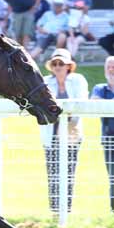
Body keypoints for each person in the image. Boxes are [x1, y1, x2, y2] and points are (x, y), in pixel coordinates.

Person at [41, 49, 88, 213]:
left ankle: (66, 210)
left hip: (72, 130)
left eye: (61, 63)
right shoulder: (45, 81)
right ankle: (54, 210)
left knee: (69, 172)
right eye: (54, 64)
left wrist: (66, 119)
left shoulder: (78, 80)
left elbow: (81, 103)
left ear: (68, 65)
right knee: (53, 173)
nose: (58, 66)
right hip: (51, 131)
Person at [90, 56, 114, 212]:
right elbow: (94, 103)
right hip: (109, 140)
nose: (111, 69)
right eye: (109, 67)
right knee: (113, 176)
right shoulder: (100, 88)